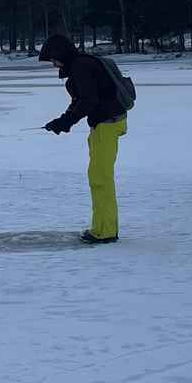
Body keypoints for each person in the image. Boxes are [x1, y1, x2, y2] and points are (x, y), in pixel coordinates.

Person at [39, 34, 128, 244]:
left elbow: (88, 100)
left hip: (107, 124)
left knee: (100, 178)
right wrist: (62, 121)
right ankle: (105, 227)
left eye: (53, 59)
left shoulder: (80, 67)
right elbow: (81, 100)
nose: (53, 64)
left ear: (61, 54)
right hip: (106, 123)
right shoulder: (82, 64)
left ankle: (104, 231)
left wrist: (65, 122)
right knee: (100, 177)